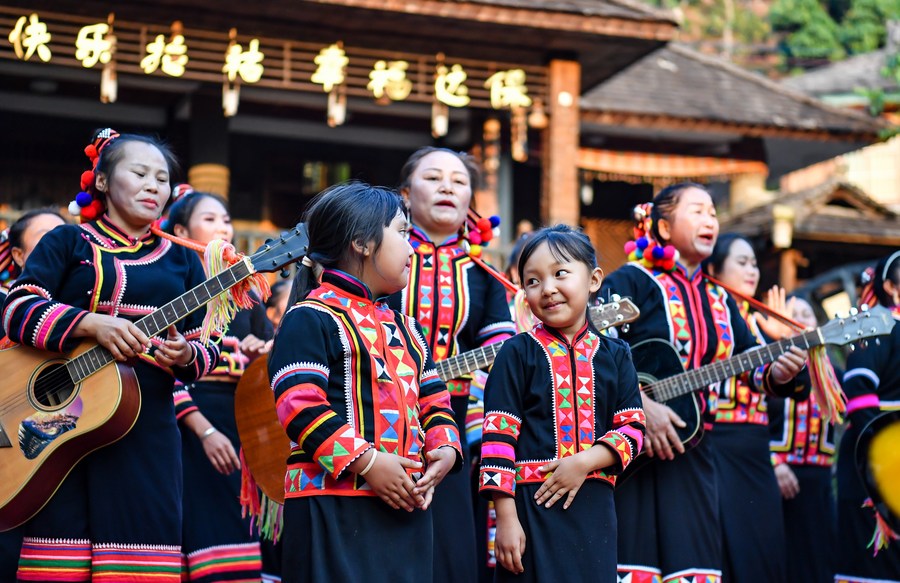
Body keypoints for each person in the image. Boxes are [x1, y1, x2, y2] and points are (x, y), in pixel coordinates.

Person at [2, 129, 220, 581]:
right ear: (102, 181)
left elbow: (207, 349)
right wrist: (90, 323)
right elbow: (17, 309)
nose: (152, 186)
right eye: (139, 173)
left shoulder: (183, 262)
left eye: (162, 179)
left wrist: (185, 353)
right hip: (57, 435)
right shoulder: (67, 243)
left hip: (145, 437)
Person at [601, 183, 807, 583]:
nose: (709, 219)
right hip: (634, 449)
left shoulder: (721, 299)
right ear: (662, 228)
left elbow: (750, 363)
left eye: (712, 212)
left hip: (693, 450)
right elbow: (595, 353)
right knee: (634, 566)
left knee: (693, 569)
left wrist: (777, 373)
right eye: (696, 211)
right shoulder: (631, 281)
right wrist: (641, 407)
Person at [268, 182, 463, 583]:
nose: (413, 248)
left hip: (405, 503)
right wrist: (370, 463)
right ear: (362, 242)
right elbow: (299, 405)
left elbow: (434, 401)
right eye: (403, 233)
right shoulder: (311, 316)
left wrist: (443, 449)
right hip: (331, 505)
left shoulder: (407, 328)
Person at [479, 225, 645, 581]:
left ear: (594, 280)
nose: (548, 289)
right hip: (530, 506)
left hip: (595, 508)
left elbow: (633, 430)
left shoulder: (617, 355)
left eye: (560, 273)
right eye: (533, 281)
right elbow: (497, 437)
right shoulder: (515, 352)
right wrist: (506, 519)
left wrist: (583, 463)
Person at [390, 147, 516, 583]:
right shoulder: (379, 257)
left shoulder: (483, 272)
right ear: (405, 194)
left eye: (459, 181)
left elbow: (499, 341)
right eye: (433, 178)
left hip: (457, 419)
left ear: (469, 202)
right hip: (379, 413)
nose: (447, 186)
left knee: (451, 541)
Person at [163, 189, 274, 581]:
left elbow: (274, 354)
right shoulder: (171, 282)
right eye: (210, 219)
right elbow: (158, 368)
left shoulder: (244, 292)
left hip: (239, 424)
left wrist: (264, 349)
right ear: (180, 229)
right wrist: (203, 430)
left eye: (225, 219)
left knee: (237, 527)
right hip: (186, 424)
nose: (223, 227)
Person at [702, 233, 796, 583]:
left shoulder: (763, 323)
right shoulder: (702, 318)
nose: (752, 271)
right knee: (723, 547)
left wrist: (784, 340)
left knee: (763, 548)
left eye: (754, 263)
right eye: (741, 263)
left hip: (755, 447)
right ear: (713, 269)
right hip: (715, 442)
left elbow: (795, 392)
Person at [0, 209, 67, 581]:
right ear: (21, 256)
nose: (60, 245)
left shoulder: (92, 308)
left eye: (67, 237)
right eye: (46, 237)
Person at [835, 251, 900, 582]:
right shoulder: (880, 326)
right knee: (873, 568)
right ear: (892, 287)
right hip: (873, 466)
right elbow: (859, 391)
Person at [768, 296, 838, 583]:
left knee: (818, 562)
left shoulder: (835, 376)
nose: (799, 319)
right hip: (776, 477)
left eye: (806, 314)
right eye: (791, 313)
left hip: (819, 483)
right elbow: (749, 423)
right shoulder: (767, 372)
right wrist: (773, 463)